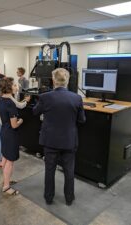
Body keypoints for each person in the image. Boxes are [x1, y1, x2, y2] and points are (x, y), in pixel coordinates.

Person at [33, 68, 86, 206]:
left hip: (50, 141)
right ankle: (69, 198)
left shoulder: (45, 97)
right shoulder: (77, 98)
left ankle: (49, 198)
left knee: (49, 170)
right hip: (69, 140)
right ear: (67, 81)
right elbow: (82, 120)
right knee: (69, 171)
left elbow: (34, 112)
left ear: (53, 80)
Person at [0, 78, 23, 195]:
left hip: (4, 131)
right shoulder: (10, 103)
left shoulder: (1, 99)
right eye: (14, 85)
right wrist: (21, 121)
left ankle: (5, 180)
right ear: (9, 87)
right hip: (10, 134)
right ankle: (6, 187)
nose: (16, 86)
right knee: (10, 161)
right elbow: (14, 125)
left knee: (5, 158)